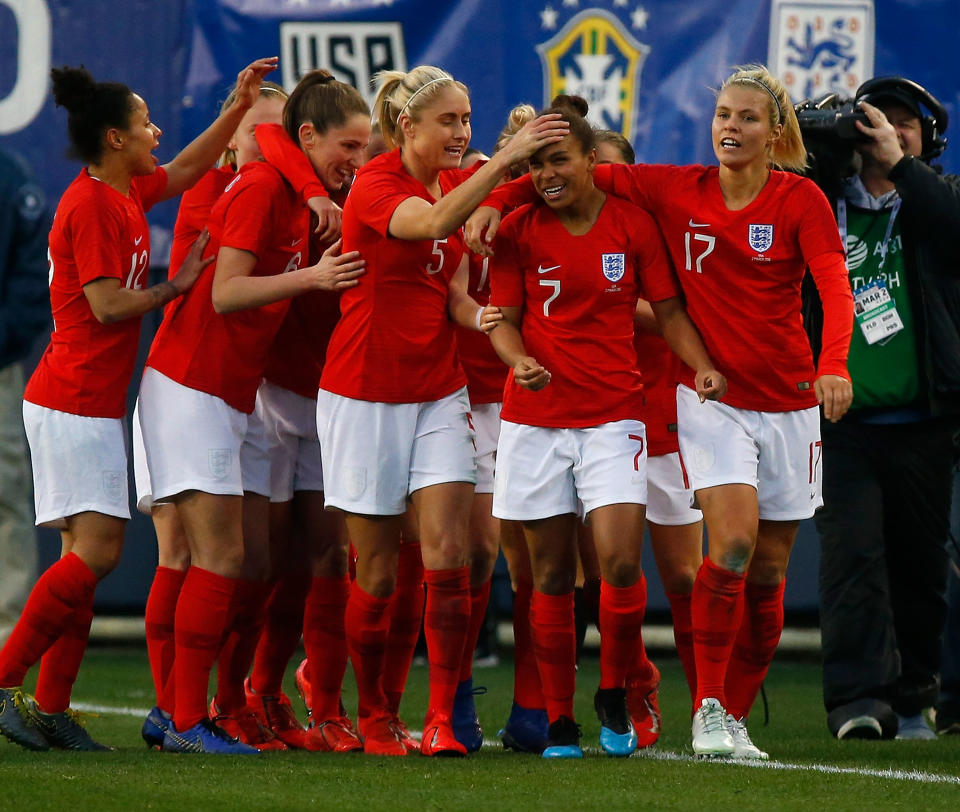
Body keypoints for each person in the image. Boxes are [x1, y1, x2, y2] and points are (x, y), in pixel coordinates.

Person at [467, 64, 854, 760]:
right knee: (729, 546)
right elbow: (575, 177)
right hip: (712, 399)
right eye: (723, 116)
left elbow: (833, 282)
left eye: (747, 118)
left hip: (791, 404)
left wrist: (832, 364)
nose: (731, 127)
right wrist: (500, 196)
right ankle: (703, 708)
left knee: (768, 574)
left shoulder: (801, 201)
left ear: (775, 132)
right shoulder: (676, 188)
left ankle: (729, 713)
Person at [0, 58, 278, 752]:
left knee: (82, 559)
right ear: (115, 139)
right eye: (145, 121)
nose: (156, 130)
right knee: (96, 552)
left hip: (83, 402)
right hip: (72, 400)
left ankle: (53, 706)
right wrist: (176, 285)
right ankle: (5, 677)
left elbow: (183, 170)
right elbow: (106, 304)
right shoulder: (92, 204)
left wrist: (238, 109)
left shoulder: (122, 191)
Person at [315, 64, 567, 757]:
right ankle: (373, 714)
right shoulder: (377, 185)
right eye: (448, 121)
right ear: (408, 127)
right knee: (377, 572)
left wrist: (483, 320)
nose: (461, 133)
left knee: (452, 555)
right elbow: (431, 224)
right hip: (364, 393)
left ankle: (439, 721)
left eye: (465, 119)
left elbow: (445, 288)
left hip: (437, 389)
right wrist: (506, 163)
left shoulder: (456, 183)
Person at [136, 68, 369, 754]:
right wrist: (314, 275)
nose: (355, 162)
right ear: (296, 141)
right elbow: (226, 295)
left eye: (364, 149)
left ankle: (181, 716)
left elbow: (276, 137)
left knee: (226, 560)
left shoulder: (290, 193)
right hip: (193, 386)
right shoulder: (260, 184)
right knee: (214, 558)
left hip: (220, 391)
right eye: (346, 147)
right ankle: (184, 718)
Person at [487, 95, 724, 759]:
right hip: (534, 421)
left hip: (615, 416)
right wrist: (518, 360)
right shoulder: (517, 228)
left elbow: (671, 311)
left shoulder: (631, 224)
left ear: (594, 162)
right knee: (552, 577)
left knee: (621, 565)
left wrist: (701, 364)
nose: (545, 175)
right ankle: (560, 720)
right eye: (534, 165)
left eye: (557, 160)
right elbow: (500, 316)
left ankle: (616, 691)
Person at [806, 76, 960, 741]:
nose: (893, 132)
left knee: (921, 570)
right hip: (842, 425)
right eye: (878, 120)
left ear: (929, 140)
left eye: (908, 124)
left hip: (926, 420)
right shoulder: (817, 203)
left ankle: (916, 686)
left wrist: (900, 168)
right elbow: (784, 172)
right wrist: (819, 133)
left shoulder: (939, 200)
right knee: (852, 563)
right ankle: (857, 702)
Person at [595, 129, 704, 744]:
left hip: (665, 415)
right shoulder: (556, 226)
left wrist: (613, 299)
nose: (600, 182)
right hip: (593, 418)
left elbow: (681, 313)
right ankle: (634, 681)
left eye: (611, 173)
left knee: (685, 578)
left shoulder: (663, 229)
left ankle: (708, 704)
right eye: (593, 170)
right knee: (609, 573)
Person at [0, 148, 49, 649]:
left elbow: (33, 282)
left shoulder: (10, 176)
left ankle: (4, 644)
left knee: (3, 494)